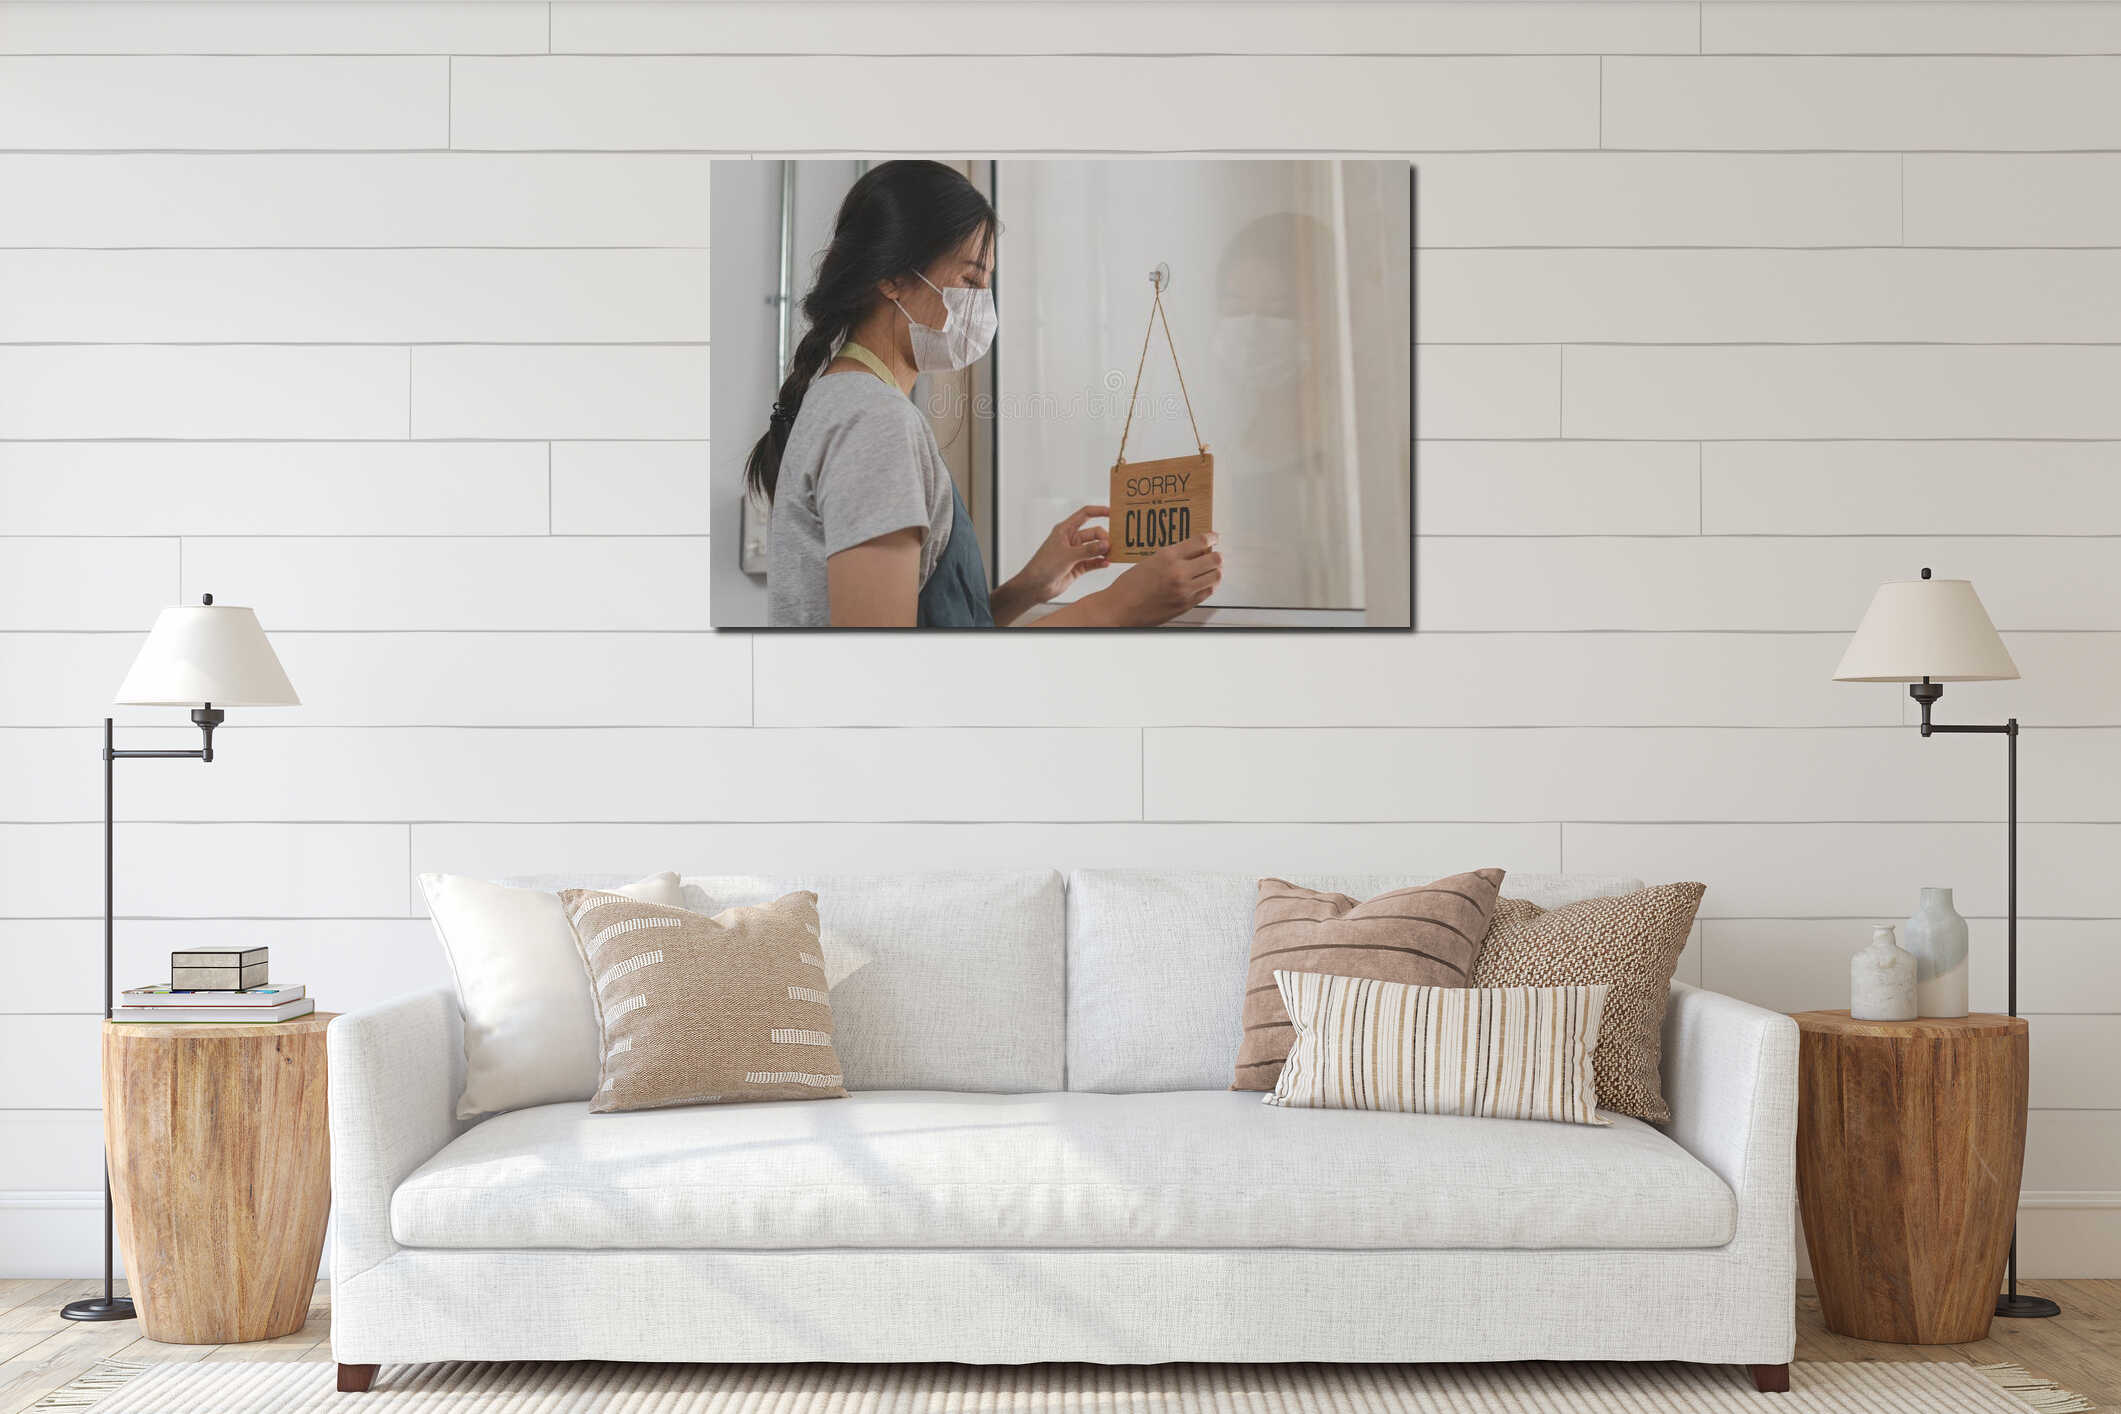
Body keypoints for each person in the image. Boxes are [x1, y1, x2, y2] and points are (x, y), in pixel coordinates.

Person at [747, 160, 1222, 628]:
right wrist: (1116, 606)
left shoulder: (845, 402)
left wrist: (1027, 589)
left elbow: (925, 631)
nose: (981, 306)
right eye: (971, 281)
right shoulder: (873, 420)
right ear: (891, 276)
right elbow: (885, 672)